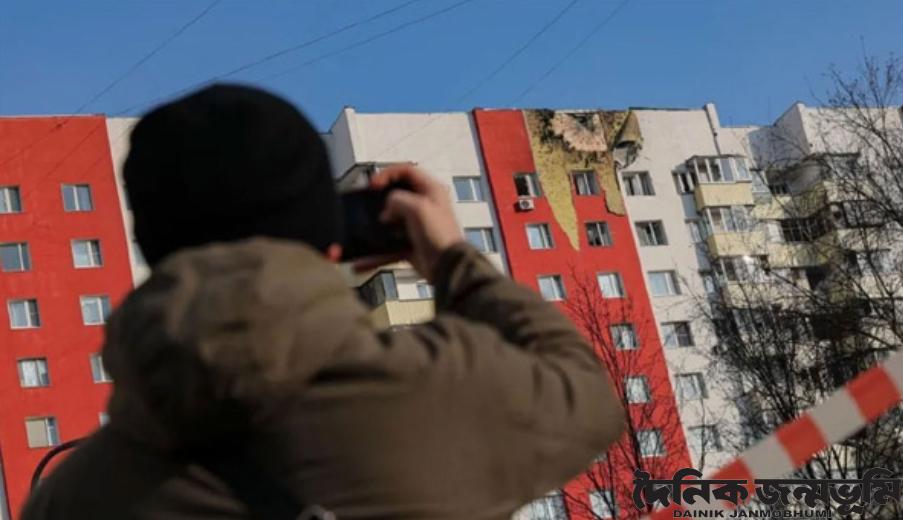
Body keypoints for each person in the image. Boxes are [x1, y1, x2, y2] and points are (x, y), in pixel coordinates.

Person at [22, 85, 625, 520]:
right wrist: (449, 258)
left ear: (152, 242)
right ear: (328, 240)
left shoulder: (72, 497)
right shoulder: (443, 397)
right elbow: (588, 392)